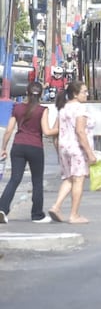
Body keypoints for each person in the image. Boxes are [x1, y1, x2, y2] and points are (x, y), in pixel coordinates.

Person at [0, 82, 59, 224]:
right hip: (35, 147)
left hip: (18, 146)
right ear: (41, 94)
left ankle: (2, 208)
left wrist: (3, 148)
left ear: (26, 92)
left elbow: (9, 130)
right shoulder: (42, 110)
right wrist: (60, 128)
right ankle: (37, 215)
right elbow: (46, 131)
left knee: (15, 179)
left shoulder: (17, 108)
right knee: (37, 181)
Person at [47, 81, 97, 224]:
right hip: (77, 149)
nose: (86, 94)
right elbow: (80, 132)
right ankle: (74, 214)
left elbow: (58, 131)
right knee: (78, 179)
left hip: (64, 147)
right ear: (75, 94)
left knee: (69, 178)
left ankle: (56, 206)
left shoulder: (63, 109)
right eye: (84, 92)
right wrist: (90, 153)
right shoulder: (80, 110)